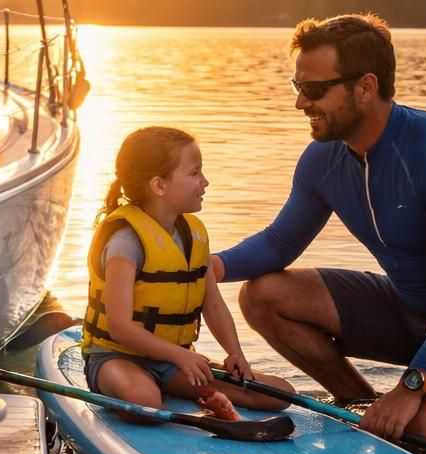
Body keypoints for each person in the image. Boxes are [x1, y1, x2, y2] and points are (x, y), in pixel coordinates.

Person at [214, 13, 426, 450]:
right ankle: (359, 401)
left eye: (314, 91)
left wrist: (410, 388)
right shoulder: (324, 159)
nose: (301, 104)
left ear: (366, 87)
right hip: (417, 309)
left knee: (423, 437)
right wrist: (207, 267)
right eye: (297, 88)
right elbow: (280, 243)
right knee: (262, 295)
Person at [81, 126, 293, 419]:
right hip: (116, 358)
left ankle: (193, 391)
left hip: (170, 362)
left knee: (279, 394)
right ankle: (164, 392)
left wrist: (236, 354)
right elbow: (119, 326)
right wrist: (180, 355)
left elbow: (213, 304)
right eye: (194, 173)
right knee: (145, 401)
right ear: (159, 185)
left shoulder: (194, 236)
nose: (205, 182)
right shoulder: (125, 242)